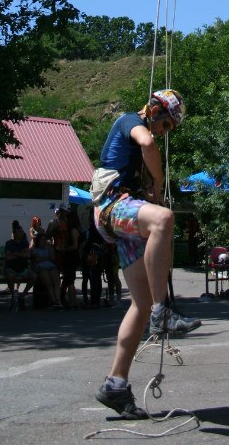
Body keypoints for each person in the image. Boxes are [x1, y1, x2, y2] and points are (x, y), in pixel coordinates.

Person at [93, 89, 195, 419]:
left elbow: (147, 148)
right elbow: (148, 144)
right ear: (153, 110)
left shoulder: (142, 127)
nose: (162, 133)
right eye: (164, 124)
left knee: (139, 305)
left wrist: (148, 189)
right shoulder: (130, 121)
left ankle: (116, 385)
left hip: (122, 212)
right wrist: (159, 181)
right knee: (164, 217)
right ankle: (163, 310)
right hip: (112, 206)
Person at [29, 230, 63, 308]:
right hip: (40, 267)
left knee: (57, 281)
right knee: (49, 283)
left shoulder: (48, 248)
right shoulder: (34, 249)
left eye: (45, 239)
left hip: (51, 266)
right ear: (38, 240)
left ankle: (58, 300)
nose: (44, 241)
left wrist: (50, 249)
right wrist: (46, 258)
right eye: (42, 239)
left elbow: (53, 259)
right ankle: (54, 301)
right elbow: (37, 259)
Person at [4, 222, 34, 308]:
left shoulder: (25, 243)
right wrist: (21, 254)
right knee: (10, 277)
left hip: (22, 268)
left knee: (34, 276)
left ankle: (22, 295)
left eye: (21, 232)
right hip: (11, 268)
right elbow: (8, 257)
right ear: (14, 234)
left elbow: (27, 255)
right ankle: (13, 295)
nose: (21, 233)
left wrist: (16, 254)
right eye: (19, 232)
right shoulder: (9, 243)